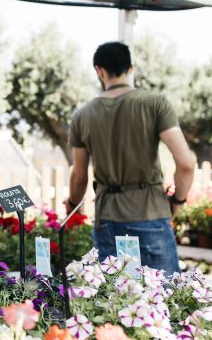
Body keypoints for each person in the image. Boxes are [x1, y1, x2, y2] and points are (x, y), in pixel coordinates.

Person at [67, 41, 195, 275]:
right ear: (131, 69)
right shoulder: (155, 104)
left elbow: (78, 177)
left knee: (114, 303)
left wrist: (71, 206)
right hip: (150, 213)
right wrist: (177, 201)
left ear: (99, 71)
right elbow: (186, 163)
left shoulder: (82, 116)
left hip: (107, 217)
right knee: (164, 300)